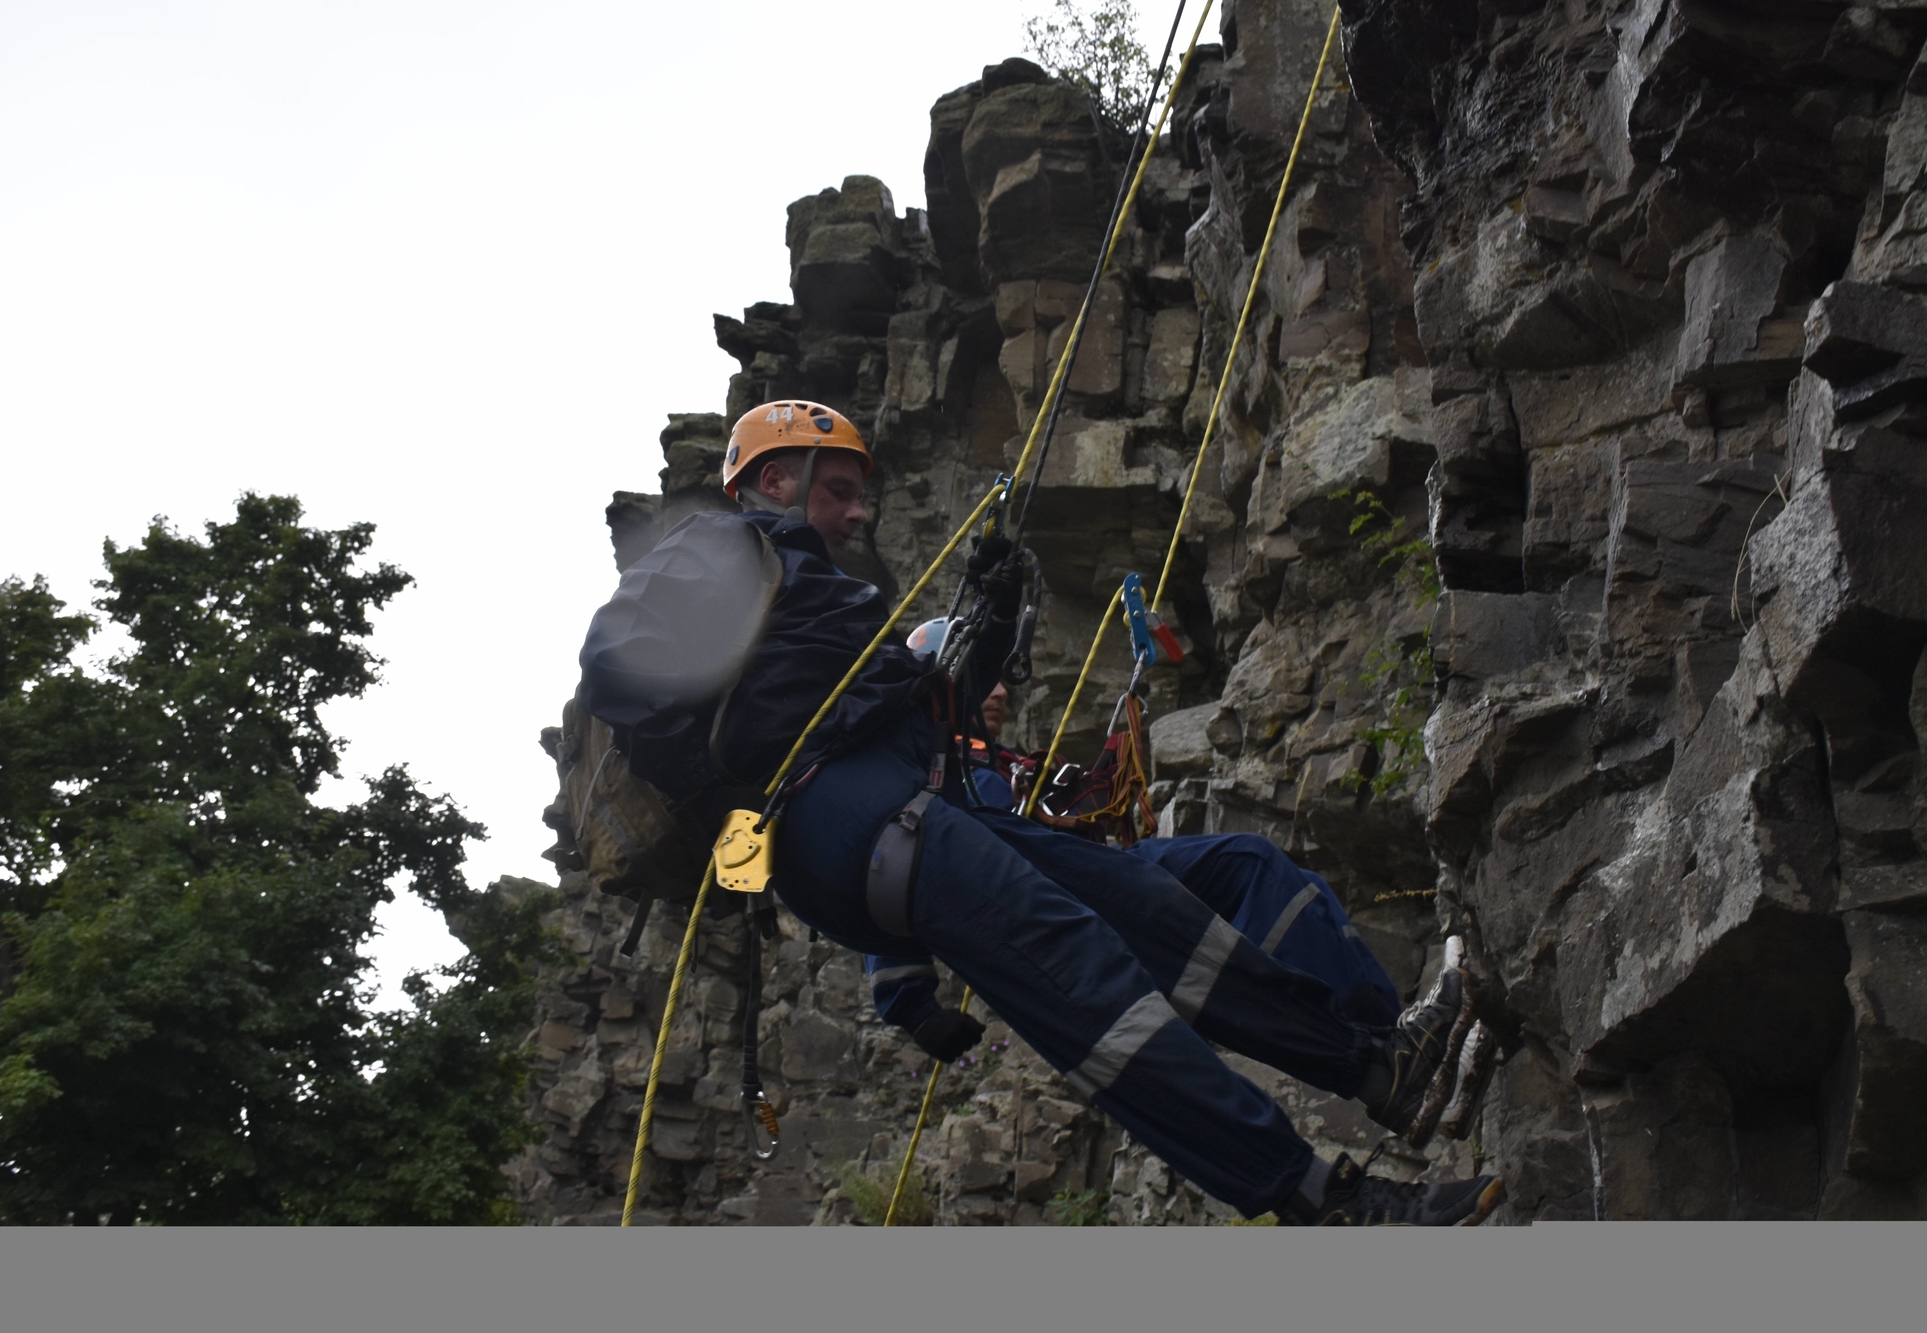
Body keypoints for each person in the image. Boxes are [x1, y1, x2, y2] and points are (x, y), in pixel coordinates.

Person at [579, 399, 1503, 1226]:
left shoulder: (808, 594)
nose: (859, 512)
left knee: (1148, 910)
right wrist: (733, 765)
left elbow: (920, 716)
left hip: (896, 806)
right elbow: (616, 660)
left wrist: (991, 611)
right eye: (842, 490)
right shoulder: (723, 547)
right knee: (1088, 978)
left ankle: (1376, 1066)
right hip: (841, 814)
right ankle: (1319, 1199)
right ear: (775, 479)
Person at [866, 670, 1402, 1044]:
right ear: (940, 689)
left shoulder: (1000, 763)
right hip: (1061, 905)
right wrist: (913, 1008)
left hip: (1096, 873)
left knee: (1268, 871)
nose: (1002, 691)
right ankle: (1375, 1033)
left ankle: (1381, 1025)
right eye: (985, 679)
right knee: (1250, 869)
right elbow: (882, 872)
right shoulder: (925, 779)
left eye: (1001, 680)